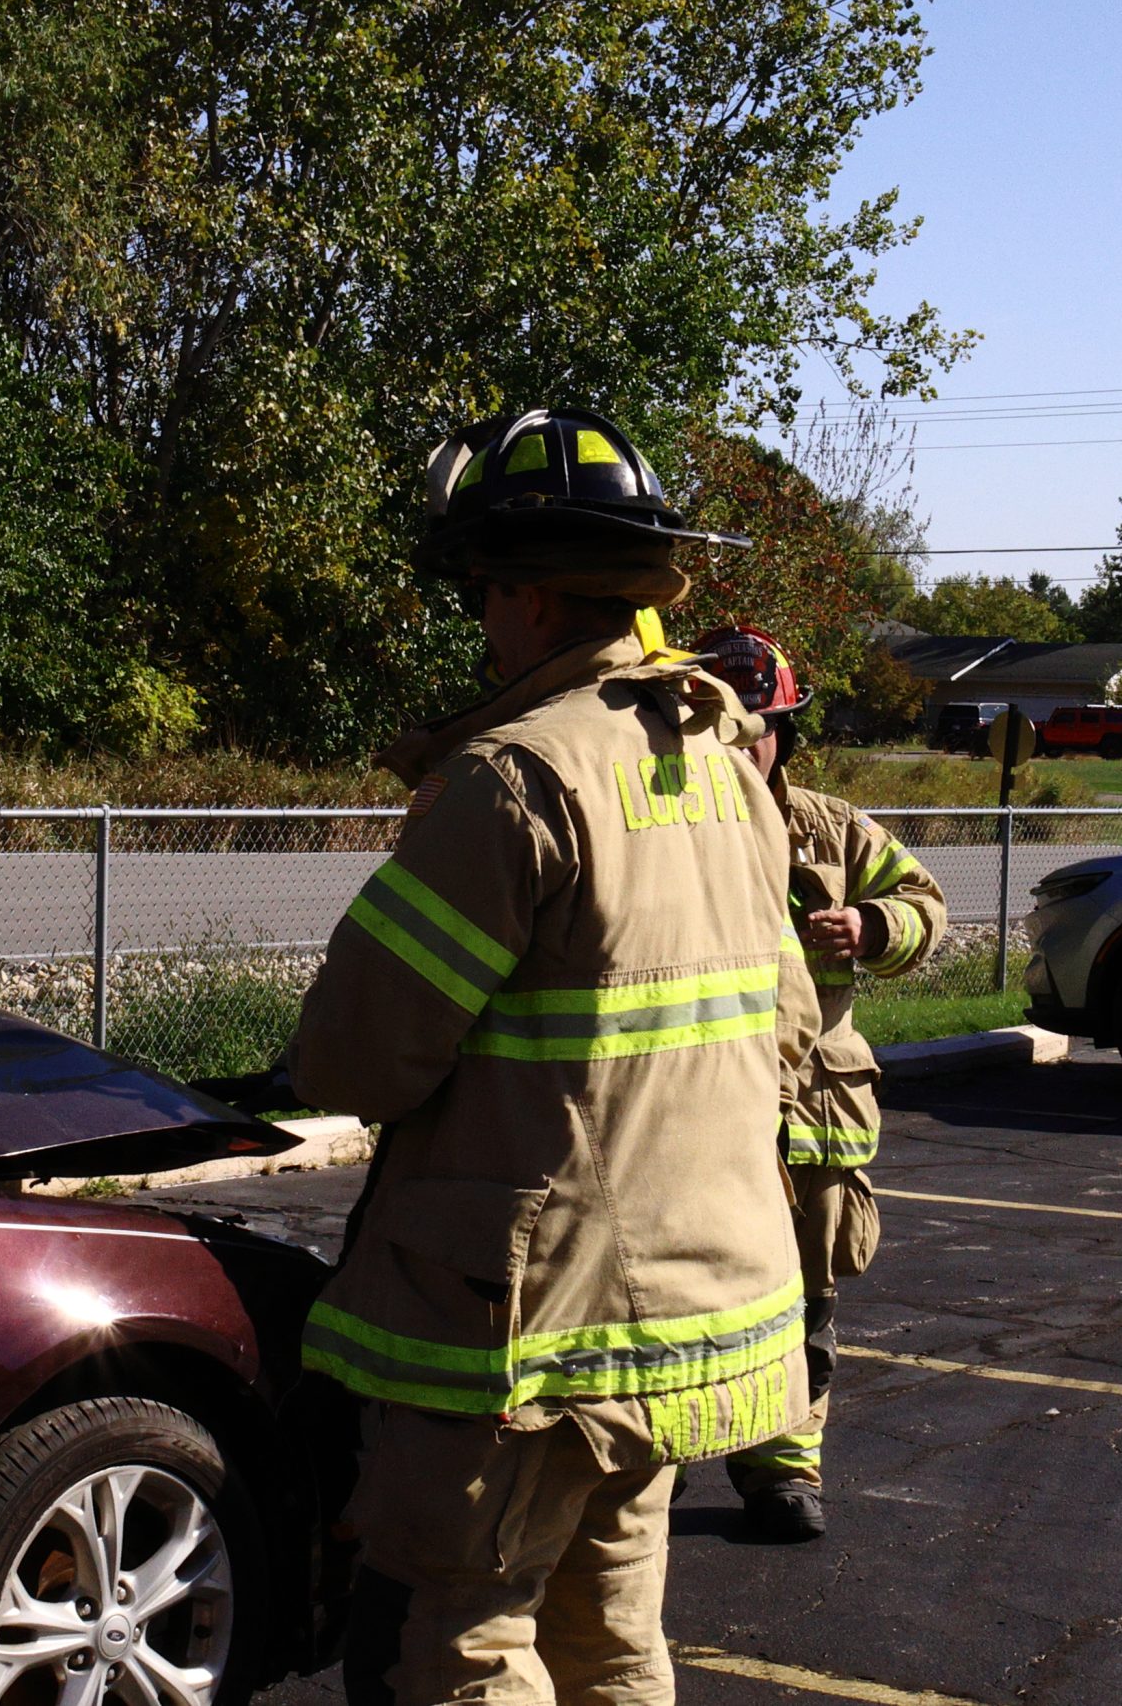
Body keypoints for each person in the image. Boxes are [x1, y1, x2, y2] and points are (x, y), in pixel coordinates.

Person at [289, 408, 811, 1706]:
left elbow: (358, 1058)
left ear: (526, 594)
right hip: (693, 1306)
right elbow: (789, 1022)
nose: (482, 621)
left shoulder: (517, 778)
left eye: (483, 591)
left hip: (534, 1330)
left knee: (462, 1634)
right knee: (610, 1633)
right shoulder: (721, 757)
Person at [695, 624, 946, 1544]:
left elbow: (927, 904)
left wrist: (872, 927)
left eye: (754, 728)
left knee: (805, 1304)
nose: (737, 746)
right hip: (699, 1114)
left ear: (784, 733)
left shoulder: (831, 828)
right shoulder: (670, 827)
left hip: (811, 1118)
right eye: (717, 728)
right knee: (684, 1299)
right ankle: (659, 1459)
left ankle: (785, 1472)